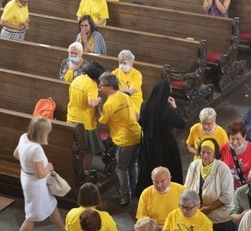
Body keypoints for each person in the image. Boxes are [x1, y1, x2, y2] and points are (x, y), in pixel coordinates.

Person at [12, 117, 70, 231]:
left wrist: (27, 164)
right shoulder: (36, 148)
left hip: (27, 177)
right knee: (31, 216)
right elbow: (40, 174)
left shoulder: (24, 137)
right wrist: (49, 167)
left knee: (51, 204)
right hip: (35, 185)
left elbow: (16, 154)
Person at [185, 139, 234, 231]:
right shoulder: (194, 166)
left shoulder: (222, 169)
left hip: (219, 216)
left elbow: (226, 197)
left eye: (208, 152)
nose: (205, 155)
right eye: (202, 152)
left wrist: (207, 208)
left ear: (215, 153)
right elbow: (187, 188)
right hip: (199, 214)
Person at [98, 72, 141, 206]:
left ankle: (125, 196)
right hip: (137, 134)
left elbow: (103, 121)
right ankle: (134, 190)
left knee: (121, 168)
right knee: (133, 164)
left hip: (124, 140)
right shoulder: (125, 96)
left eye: (102, 85)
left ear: (110, 87)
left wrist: (98, 108)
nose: (100, 88)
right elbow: (137, 114)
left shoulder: (109, 104)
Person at [136, 79, 185, 195]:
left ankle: (149, 192)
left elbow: (141, 122)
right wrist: (175, 108)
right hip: (166, 145)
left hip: (149, 143)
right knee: (169, 167)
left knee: (149, 167)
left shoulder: (145, 105)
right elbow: (181, 123)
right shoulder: (167, 109)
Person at [67, 61, 106, 171]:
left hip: (71, 118)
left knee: (75, 150)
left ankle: (74, 172)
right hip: (85, 123)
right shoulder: (92, 85)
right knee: (88, 151)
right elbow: (91, 103)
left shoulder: (78, 79)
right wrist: (98, 99)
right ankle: (86, 173)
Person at [136, 167, 186, 231]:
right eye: (156, 182)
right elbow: (141, 219)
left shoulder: (182, 191)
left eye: (162, 181)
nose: (159, 185)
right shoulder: (146, 193)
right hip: (155, 230)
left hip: (178, 229)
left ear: (170, 179)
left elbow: (192, 213)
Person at [220, 121, 251, 189]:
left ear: (244, 137)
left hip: (245, 188)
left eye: (238, 139)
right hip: (227, 188)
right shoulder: (222, 149)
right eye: (232, 139)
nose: (235, 143)